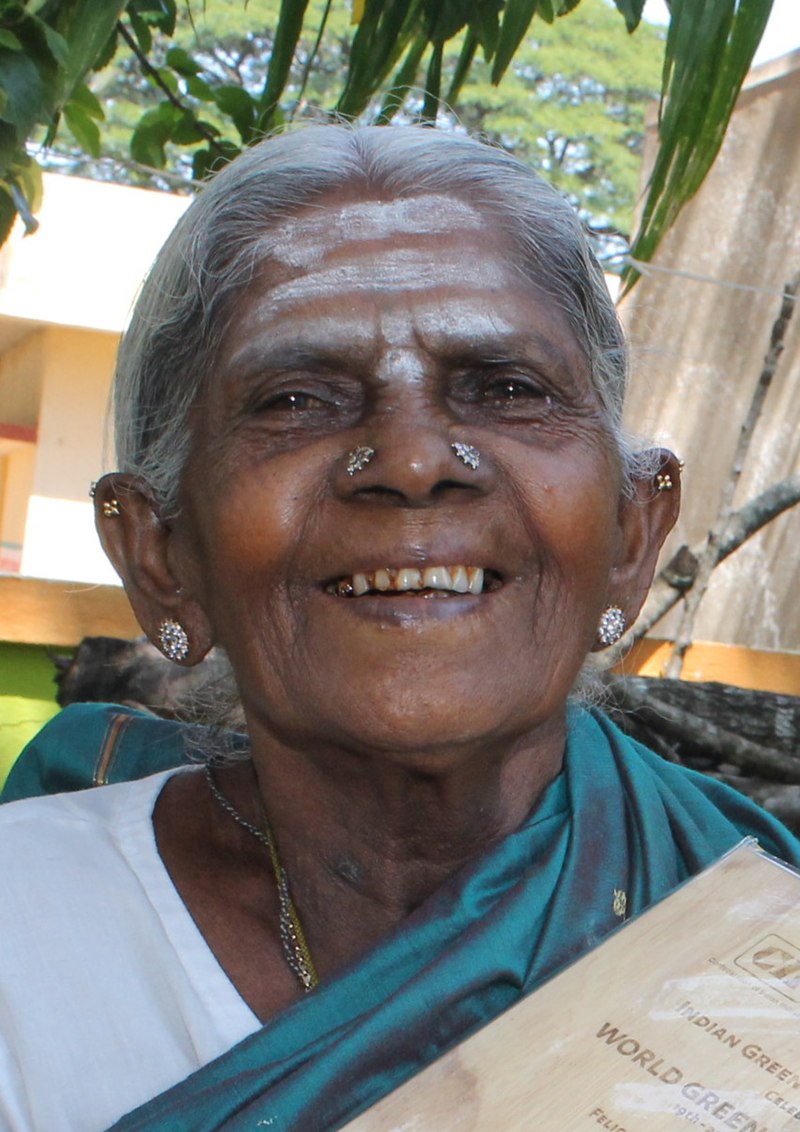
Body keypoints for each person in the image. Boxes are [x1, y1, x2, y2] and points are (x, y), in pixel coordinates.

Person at [1, 124, 798, 1132]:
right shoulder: (20, 928)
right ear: (161, 553)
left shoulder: (753, 937)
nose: (413, 458)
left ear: (632, 533)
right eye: (295, 398)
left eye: (506, 388)